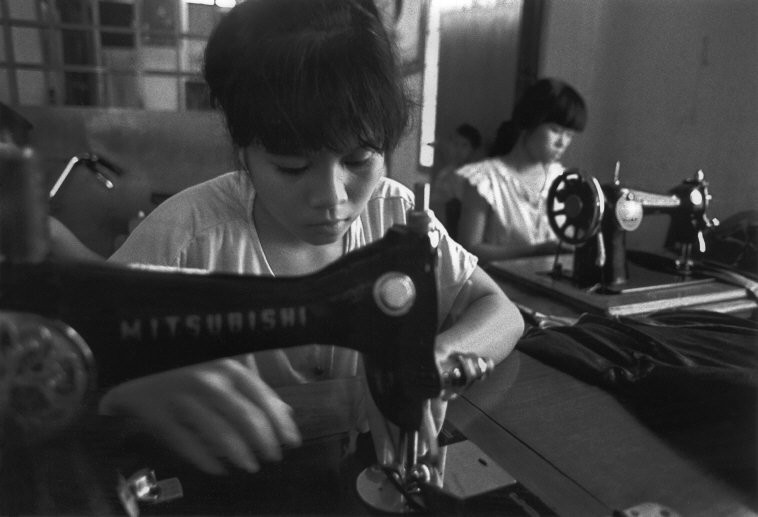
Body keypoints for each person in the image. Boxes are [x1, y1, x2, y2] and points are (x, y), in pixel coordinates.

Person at [100, 0, 524, 487]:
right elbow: (68, 355)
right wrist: (138, 387)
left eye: (360, 159)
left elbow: (499, 311)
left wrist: (432, 360)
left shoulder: (394, 214)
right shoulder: (184, 235)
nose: (332, 198)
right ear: (243, 152)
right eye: (292, 167)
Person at [456, 78, 587, 263]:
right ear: (530, 122)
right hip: (498, 286)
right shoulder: (484, 180)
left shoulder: (563, 180)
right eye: (555, 130)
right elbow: (469, 250)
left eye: (569, 135)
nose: (562, 143)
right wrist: (533, 252)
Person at [429, 123, 482, 238]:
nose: (458, 150)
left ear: (473, 150)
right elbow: (435, 201)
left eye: (464, 145)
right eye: (456, 144)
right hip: (442, 222)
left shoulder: (476, 176)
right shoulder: (445, 173)